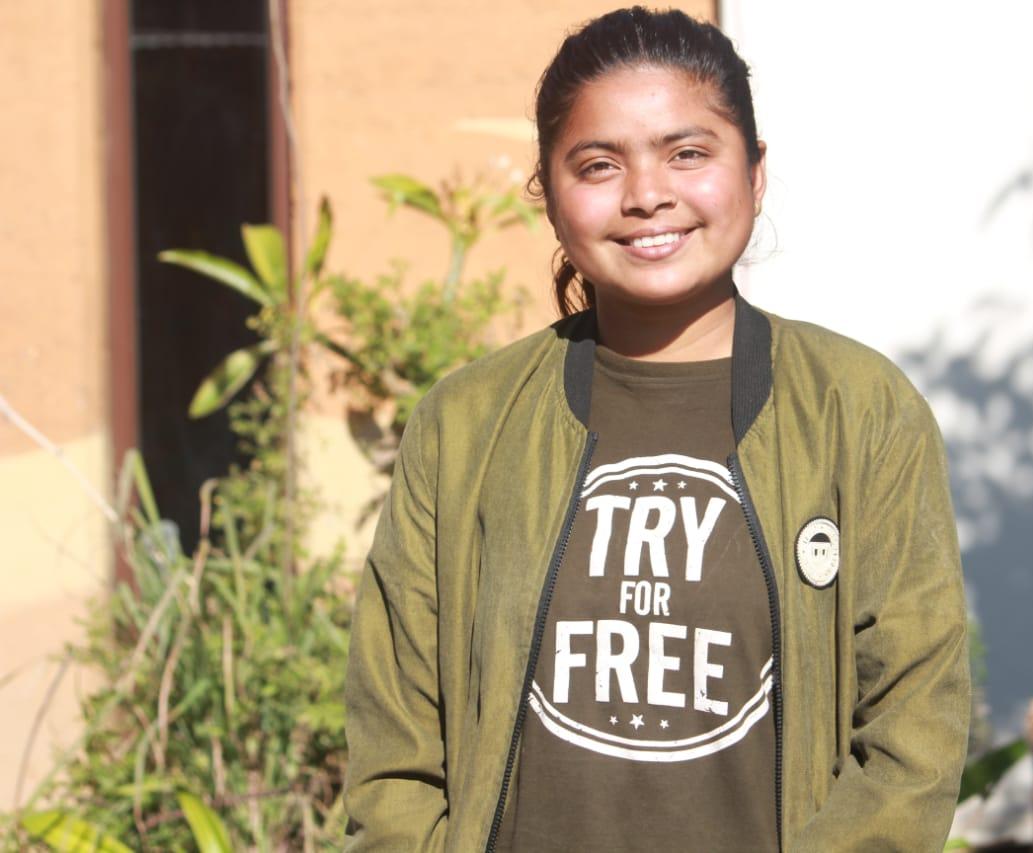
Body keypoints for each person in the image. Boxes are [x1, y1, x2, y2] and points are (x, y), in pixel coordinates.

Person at [341, 6, 970, 852]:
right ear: (551, 195)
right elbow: (394, 751)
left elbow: (912, 739)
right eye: (598, 164)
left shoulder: (860, 412)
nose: (646, 195)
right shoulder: (464, 426)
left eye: (688, 152)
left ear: (753, 172)